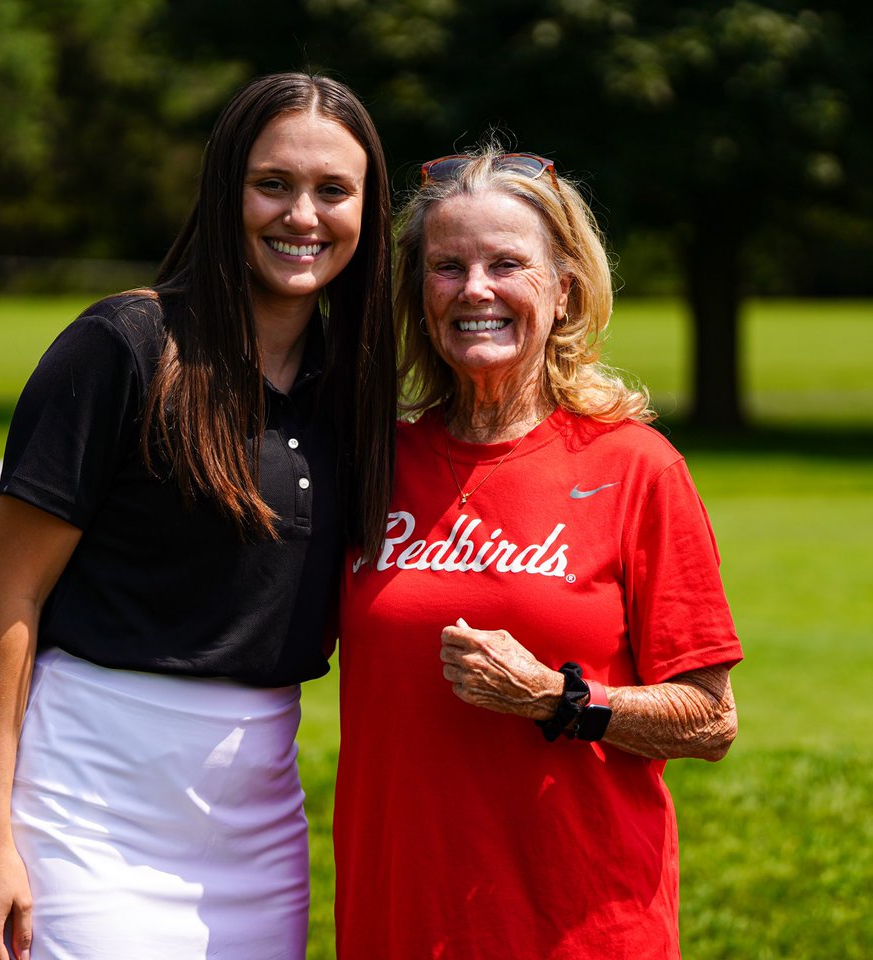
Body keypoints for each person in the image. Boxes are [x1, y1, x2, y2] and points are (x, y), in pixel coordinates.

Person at [0, 72, 395, 960]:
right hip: (88, 800)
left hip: (261, 819)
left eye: (332, 191)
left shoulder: (355, 386)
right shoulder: (123, 347)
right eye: (273, 183)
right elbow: (8, 596)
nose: (302, 215)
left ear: (366, 211)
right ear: (226, 190)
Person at [334, 147, 742, 959]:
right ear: (420, 296)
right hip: (398, 921)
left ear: (565, 291)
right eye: (447, 266)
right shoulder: (374, 463)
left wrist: (559, 699)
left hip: (581, 927)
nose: (475, 289)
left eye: (506, 264)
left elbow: (711, 719)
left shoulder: (634, 467)